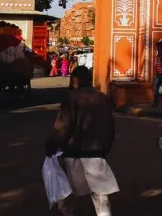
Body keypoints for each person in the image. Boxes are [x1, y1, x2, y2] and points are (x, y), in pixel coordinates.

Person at [46, 66, 118, 216]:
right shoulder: (102, 97)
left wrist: (52, 145)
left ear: (74, 80)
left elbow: (63, 127)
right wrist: (104, 149)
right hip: (97, 153)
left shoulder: (71, 98)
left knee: (66, 190)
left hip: (74, 152)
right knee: (100, 194)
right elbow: (110, 127)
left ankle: (68, 213)